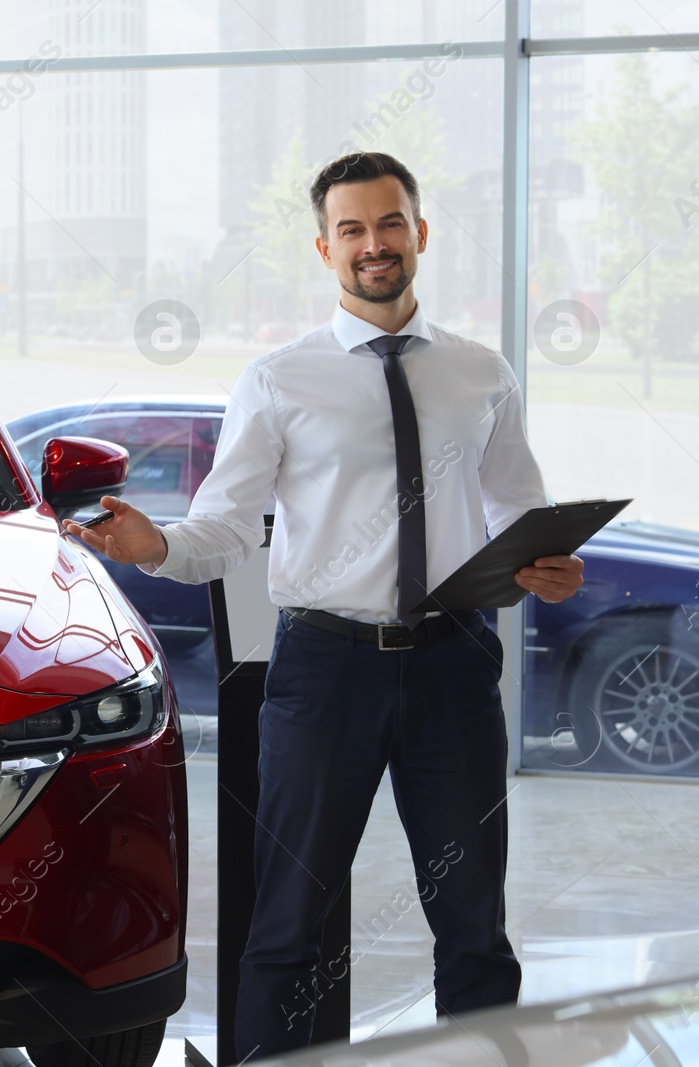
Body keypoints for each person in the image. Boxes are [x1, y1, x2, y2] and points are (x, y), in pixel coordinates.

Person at [65, 151, 583, 1061]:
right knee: (287, 922)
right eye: (352, 230)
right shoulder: (278, 379)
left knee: (473, 926)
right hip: (325, 671)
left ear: (419, 234)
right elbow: (226, 527)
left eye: (389, 224)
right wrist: (159, 547)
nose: (373, 245)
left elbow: (517, 509)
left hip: (455, 664)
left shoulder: (481, 373)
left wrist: (545, 563)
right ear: (324, 247)